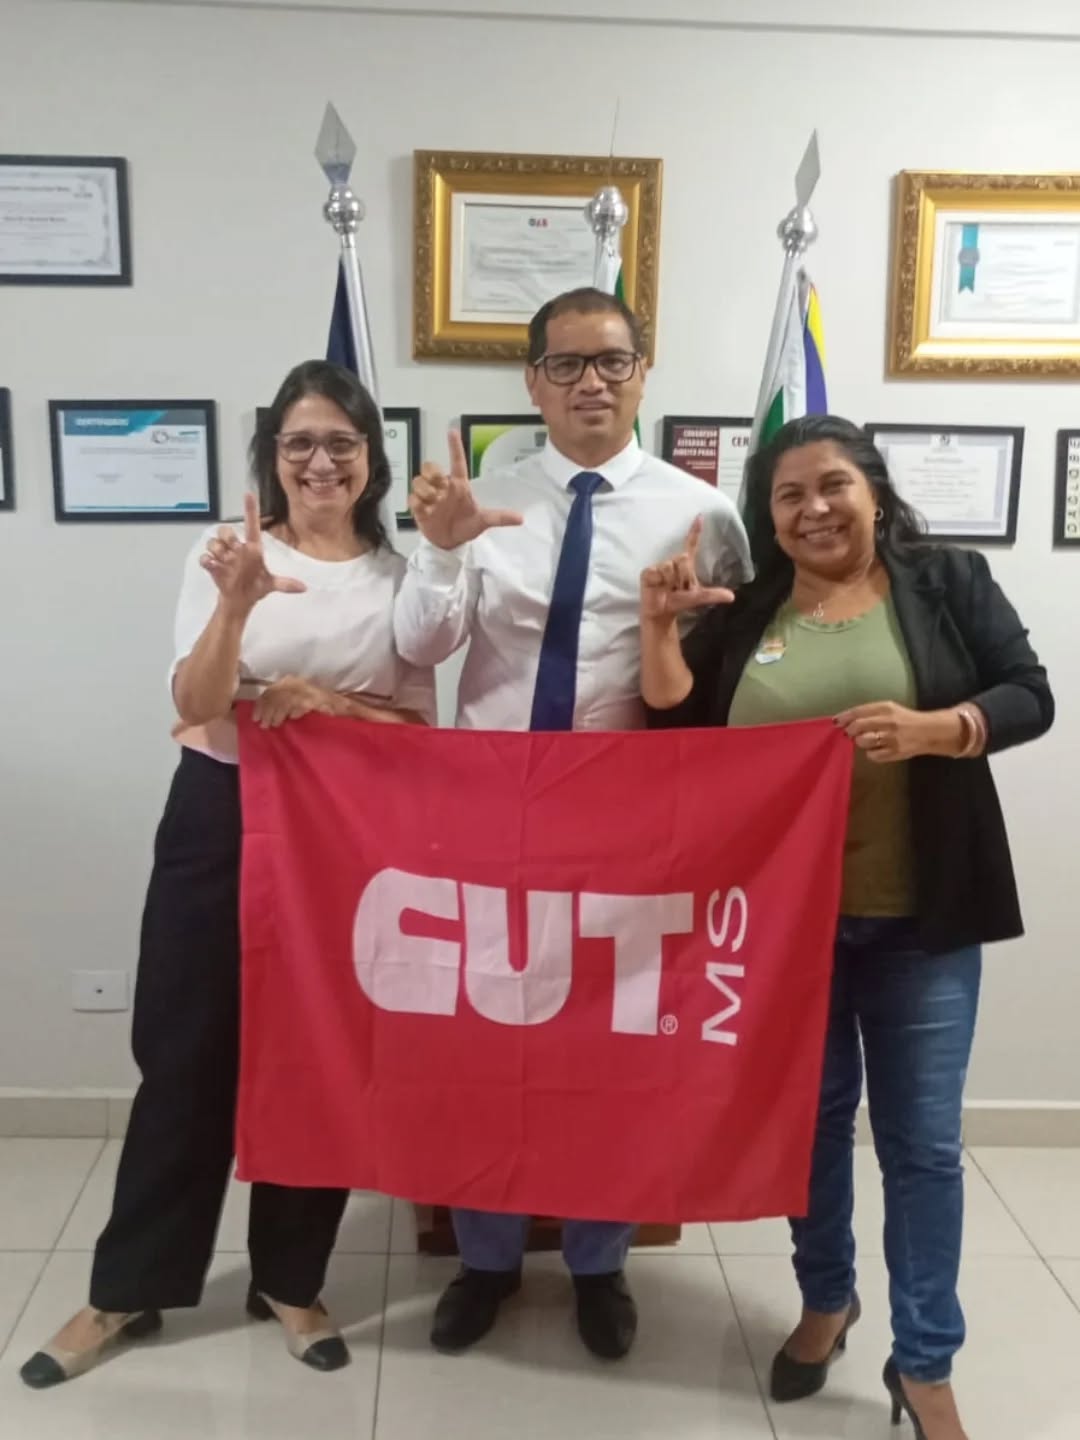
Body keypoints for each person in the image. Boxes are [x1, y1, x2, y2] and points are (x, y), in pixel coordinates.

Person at [21, 360, 435, 1390]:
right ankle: (131, 1288)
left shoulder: (400, 576)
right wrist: (236, 609)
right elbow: (197, 700)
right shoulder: (223, 554)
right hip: (218, 817)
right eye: (299, 442)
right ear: (272, 456)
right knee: (185, 1051)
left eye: (341, 441)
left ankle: (290, 1279)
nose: (320, 459)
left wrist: (331, 705)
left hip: (346, 835)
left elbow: (421, 726)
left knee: (320, 1055)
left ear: (372, 458)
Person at [639, 414, 1053, 1440]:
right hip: (784, 934)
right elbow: (672, 724)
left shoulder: (945, 581)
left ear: (874, 490)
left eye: (834, 486)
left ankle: (925, 1366)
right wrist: (657, 630)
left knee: (922, 1149)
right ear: (768, 519)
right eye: (789, 496)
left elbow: (1028, 694)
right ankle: (827, 1299)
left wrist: (942, 729)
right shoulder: (751, 606)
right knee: (812, 1130)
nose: (815, 509)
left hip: (921, 921)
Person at [393, 285, 752, 1360]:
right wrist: (444, 548)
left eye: (611, 361)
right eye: (566, 365)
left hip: (629, 819)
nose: (590, 381)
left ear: (644, 373)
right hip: (491, 810)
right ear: (532, 383)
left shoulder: (703, 514)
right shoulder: (481, 498)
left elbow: (720, 688)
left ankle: (600, 1260)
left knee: (611, 1046)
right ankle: (487, 1256)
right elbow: (420, 649)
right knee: (483, 1041)